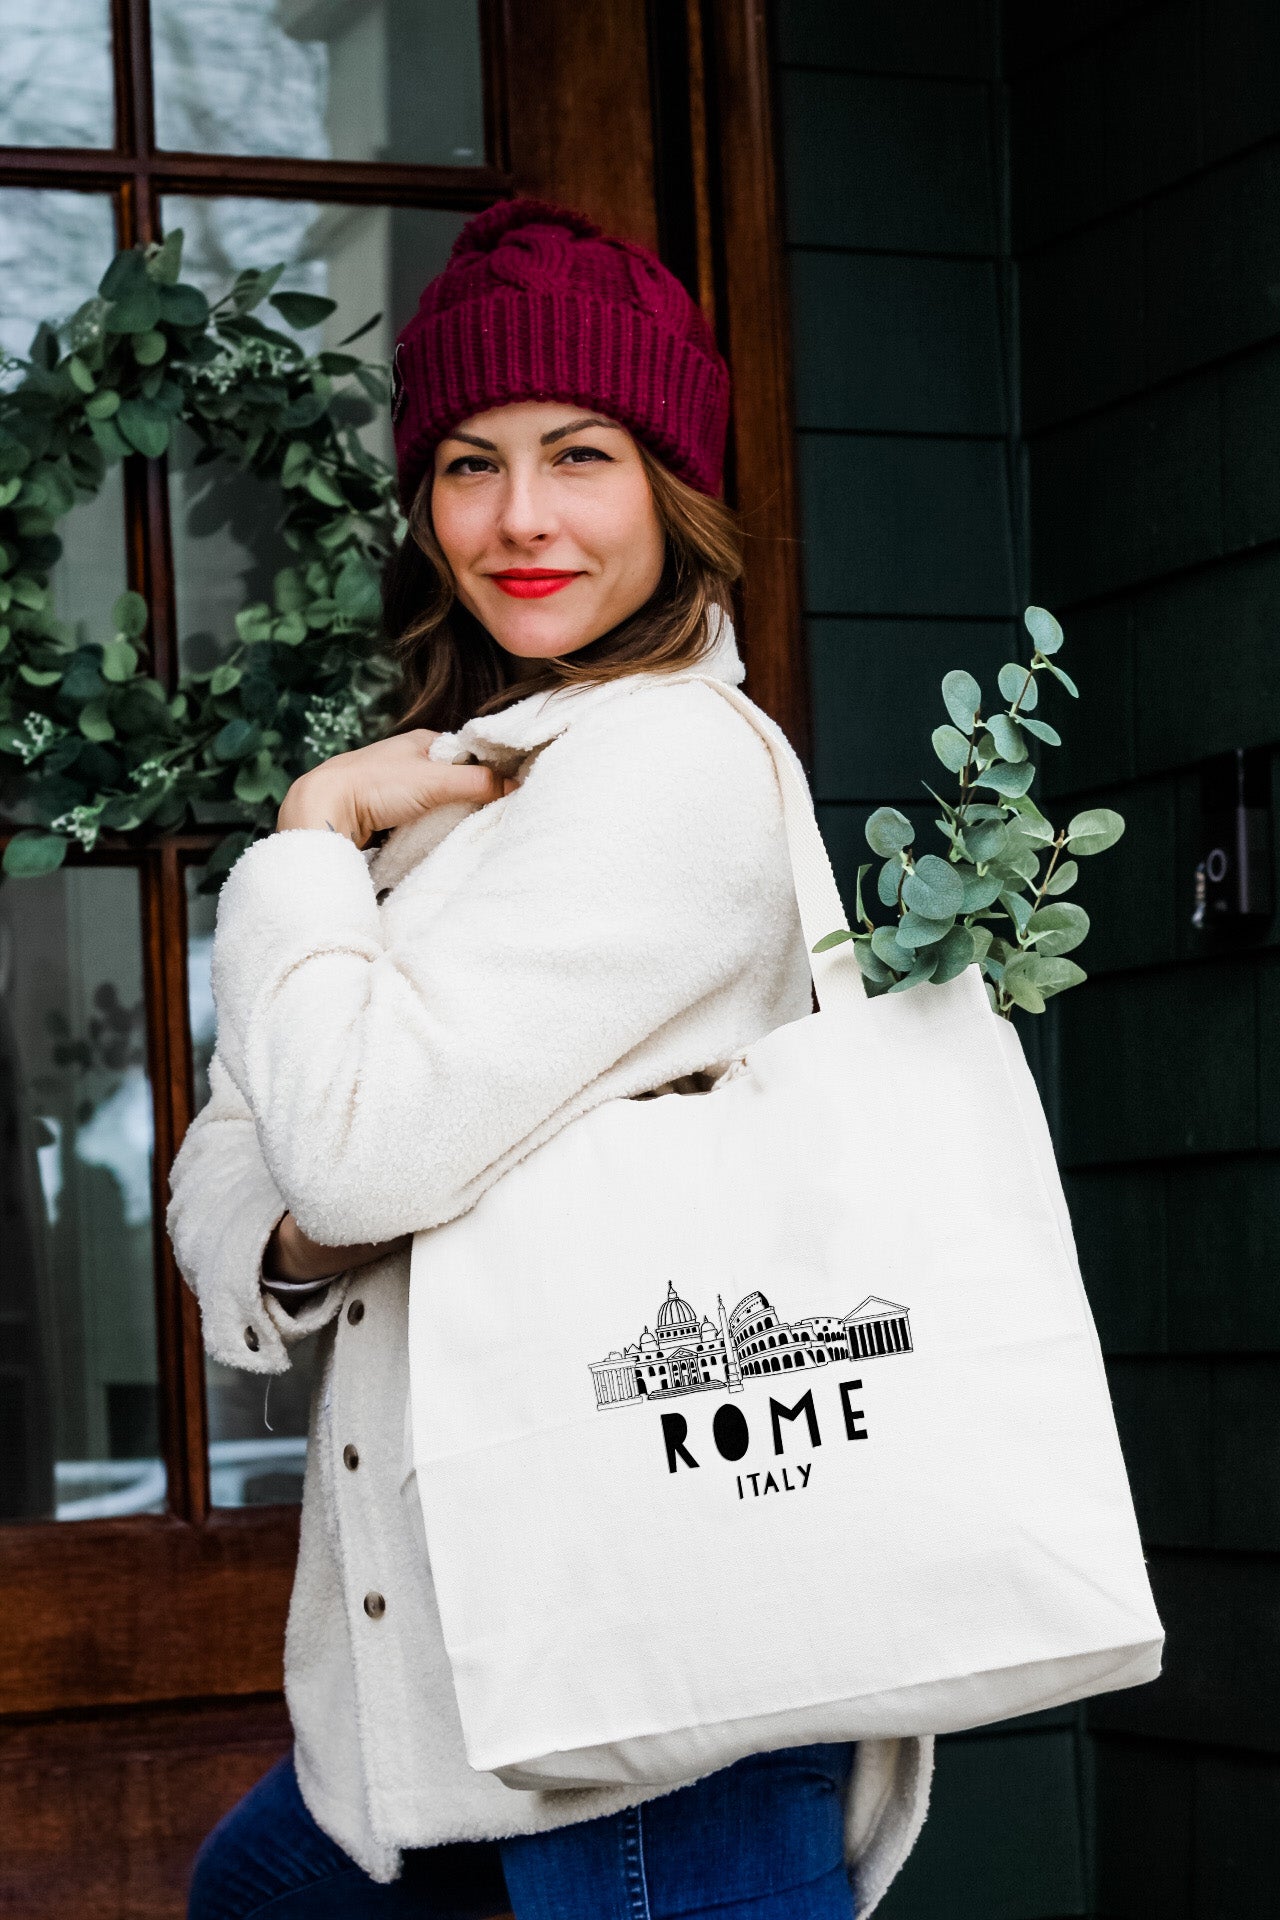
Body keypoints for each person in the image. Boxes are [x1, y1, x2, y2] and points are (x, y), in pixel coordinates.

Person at [171, 198, 932, 1920]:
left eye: (578, 454)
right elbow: (238, 1172)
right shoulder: (464, 790)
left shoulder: (663, 768)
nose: (519, 519)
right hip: (450, 1684)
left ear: (672, 485)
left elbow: (348, 1152)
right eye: (466, 462)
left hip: (652, 1676)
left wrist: (304, 835)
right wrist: (310, 1206)